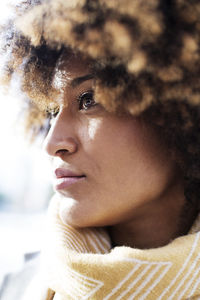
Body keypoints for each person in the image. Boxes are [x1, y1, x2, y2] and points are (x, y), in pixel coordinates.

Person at [1, 0, 200, 299]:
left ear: (179, 109)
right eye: (52, 109)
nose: (52, 143)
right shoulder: (14, 287)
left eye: (89, 100)